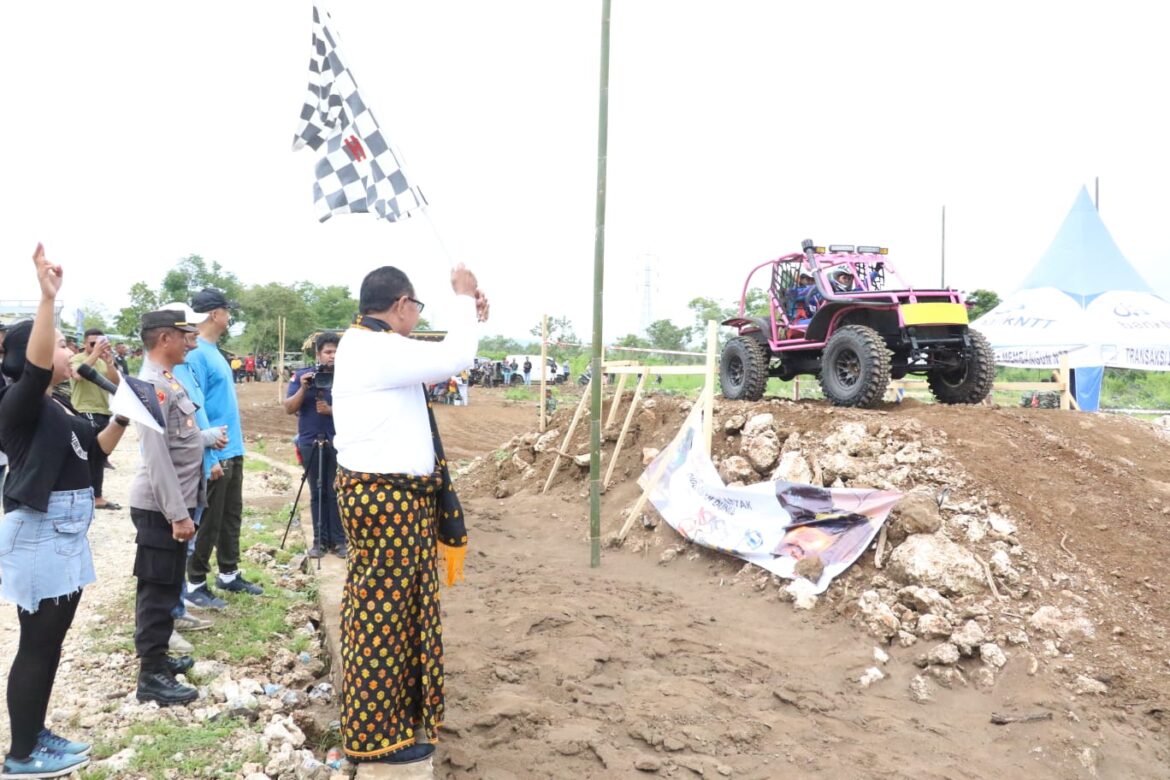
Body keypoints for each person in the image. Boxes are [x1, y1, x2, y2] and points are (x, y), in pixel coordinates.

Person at [332, 263, 488, 765]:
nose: (417, 316)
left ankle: (390, 719)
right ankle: (374, 737)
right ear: (401, 304)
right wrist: (464, 298)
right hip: (388, 502)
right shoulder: (374, 347)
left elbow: (447, 353)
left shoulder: (369, 344)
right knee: (384, 615)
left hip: (393, 499)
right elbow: (456, 356)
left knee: (392, 612)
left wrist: (471, 315)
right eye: (417, 307)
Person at [0, 244, 130, 777]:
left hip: (67, 535)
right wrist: (47, 300)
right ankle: (21, 754)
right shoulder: (19, 402)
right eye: (61, 344)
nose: (70, 350)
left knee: (50, 643)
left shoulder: (58, 406)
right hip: (40, 532)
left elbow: (94, 451)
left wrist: (125, 416)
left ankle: (36, 732)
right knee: (36, 644)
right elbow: (33, 370)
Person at [127, 309, 206, 705]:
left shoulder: (167, 379)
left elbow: (183, 440)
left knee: (168, 584)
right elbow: (157, 456)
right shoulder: (149, 385)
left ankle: (159, 659)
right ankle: (151, 676)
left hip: (175, 502)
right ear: (164, 339)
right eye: (183, 334)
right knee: (157, 591)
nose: (189, 340)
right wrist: (177, 513)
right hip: (161, 507)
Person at [184, 288, 262, 610]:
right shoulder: (195, 354)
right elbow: (194, 405)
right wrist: (209, 456)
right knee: (210, 519)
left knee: (231, 515)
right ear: (215, 314)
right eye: (227, 312)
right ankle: (195, 581)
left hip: (233, 447)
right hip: (216, 450)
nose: (229, 318)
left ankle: (229, 572)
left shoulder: (215, 351)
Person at [283, 332, 345, 559]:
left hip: (338, 442)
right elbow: (289, 408)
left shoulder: (348, 377)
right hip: (310, 440)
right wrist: (303, 388)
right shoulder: (302, 376)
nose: (333, 356)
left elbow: (361, 412)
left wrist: (332, 411)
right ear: (318, 354)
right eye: (328, 352)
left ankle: (340, 541)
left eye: (337, 351)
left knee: (335, 492)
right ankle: (319, 542)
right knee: (317, 491)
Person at [69, 328, 123, 511]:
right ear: (84, 344)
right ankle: (94, 495)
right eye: (92, 344)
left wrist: (109, 363)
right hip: (85, 411)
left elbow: (116, 384)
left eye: (100, 343)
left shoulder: (101, 361)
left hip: (103, 411)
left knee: (99, 456)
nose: (96, 347)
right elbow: (77, 374)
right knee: (93, 455)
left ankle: (94, 494)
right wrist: (96, 354)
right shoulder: (77, 359)